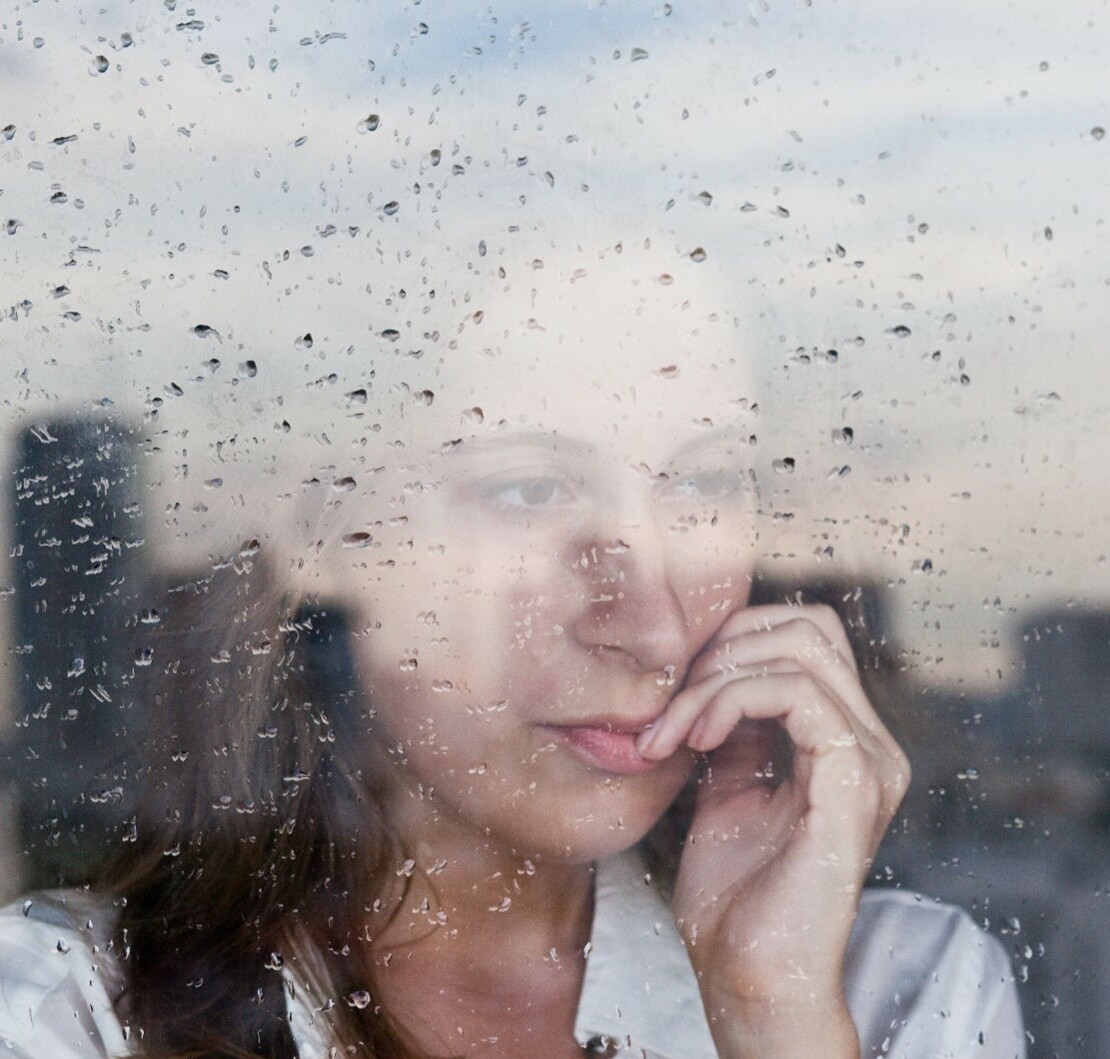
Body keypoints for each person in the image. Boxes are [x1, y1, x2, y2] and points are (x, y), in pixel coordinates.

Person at [0, 230, 1025, 1058]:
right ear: (340, 534)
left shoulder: (896, 996)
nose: (657, 627)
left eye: (707, 482)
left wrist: (775, 1025)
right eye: (528, 489)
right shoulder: (61, 1015)